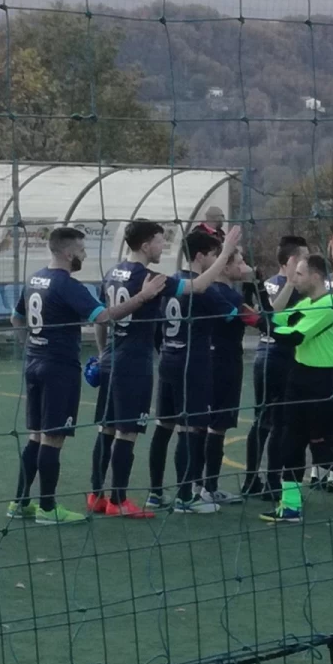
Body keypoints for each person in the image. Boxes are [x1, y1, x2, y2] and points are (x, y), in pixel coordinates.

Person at [9, 226, 167, 524]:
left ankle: (20, 502)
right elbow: (104, 317)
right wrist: (143, 296)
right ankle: (47, 508)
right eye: (82, 250)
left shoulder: (35, 278)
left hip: (34, 363)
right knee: (53, 438)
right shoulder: (68, 285)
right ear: (69, 253)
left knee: (36, 435)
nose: (84, 255)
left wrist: (30, 344)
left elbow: (16, 316)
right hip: (59, 368)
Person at [147, 226, 244, 513]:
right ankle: (185, 497)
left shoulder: (169, 282)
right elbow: (232, 316)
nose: (218, 261)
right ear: (201, 257)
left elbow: (155, 327)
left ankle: (154, 492)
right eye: (214, 255)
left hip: (167, 359)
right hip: (193, 364)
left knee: (163, 427)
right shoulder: (205, 290)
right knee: (190, 429)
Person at [261, 251, 333, 523]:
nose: (295, 278)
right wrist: (259, 312)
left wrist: (261, 323)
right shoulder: (306, 303)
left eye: (300, 274)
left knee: (323, 449)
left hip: (323, 382)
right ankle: (291, 506)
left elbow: (293, 335)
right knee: (290, 443)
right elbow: (279, 318)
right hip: (299, 379)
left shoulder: (329, 305)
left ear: (316, 276)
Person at [87, 220, 174, 519]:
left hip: (112, 358)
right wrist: (227, 249)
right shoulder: (152, 278)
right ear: (146, 244)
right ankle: (119, 500)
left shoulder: (112, 273)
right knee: (128, 431)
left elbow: (100, 318)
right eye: (161, 241)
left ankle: (96, 494)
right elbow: (198, 286)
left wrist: (102, 354)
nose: (164, 247)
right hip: (134, 364)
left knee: (107, 427)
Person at [242, 236, 308, 499]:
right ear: (291, 261)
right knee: (278, 423)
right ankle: (272, 481)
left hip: (264, 356)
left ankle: (253, 480)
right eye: (303, 257)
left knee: (263, 420)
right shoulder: (288, 287)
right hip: (280, 357)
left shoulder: (268, 283)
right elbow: (273, 315)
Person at [195, 237, 254, 506]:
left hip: (206, 362)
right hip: (225, 365)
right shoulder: (228, 295)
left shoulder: (207, 291)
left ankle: (195, 485)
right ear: (225, 266)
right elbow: (260, 319)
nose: (245, 266)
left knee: (199, 424)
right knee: (217, 427)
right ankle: (209, 486)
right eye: (240, 262)